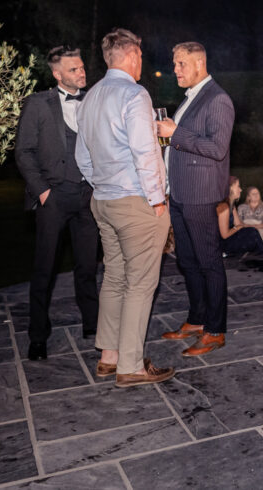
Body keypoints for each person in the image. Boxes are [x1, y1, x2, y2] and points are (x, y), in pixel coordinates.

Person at [75, 28, 173, 387]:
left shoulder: (91, 98)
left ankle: (109, 356)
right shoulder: (134, 94)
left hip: (103, 201)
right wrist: (157, 199)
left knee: (115, 276)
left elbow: (82, 156)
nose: (141, 63)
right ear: (132, 56)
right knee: (140, 284)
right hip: (135, 202)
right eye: (141, 57)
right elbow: (145, 151)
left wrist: (101, 183)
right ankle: (130, 366)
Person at [14, 45, 100, 361]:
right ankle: (38, 336)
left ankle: (93, 326)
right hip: (53, 197)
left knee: (88, 266)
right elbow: (23, 152)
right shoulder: (38, 104)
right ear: (57, 73)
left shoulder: (93, 100)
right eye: (74, 69)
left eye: (81, 67)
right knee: (44, 269)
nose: (81, 72)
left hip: (87, 196)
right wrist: (43, 191)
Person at [155, 41, 234, 357]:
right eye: (174, 64)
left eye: (180, 64)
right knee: (187, 261)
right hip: (180, 193)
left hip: (200, 195)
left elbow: (217, 148)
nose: (175, 70)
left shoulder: (218, 99)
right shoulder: (191, 99)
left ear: (199, 63)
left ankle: (215, 330)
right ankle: (197, 318)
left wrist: (175, 133)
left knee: (209, 262)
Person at [218, 176, 263, 257]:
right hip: (225, 243)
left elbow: (239, 223)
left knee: (252, 232)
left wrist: (244, 226)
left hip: (232, 236)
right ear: (230, 188)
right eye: (238, 186)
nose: (240, 190)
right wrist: (237, 228)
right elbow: (224, 234)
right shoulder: (223, 206)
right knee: (252, 234)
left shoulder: (232, 205)